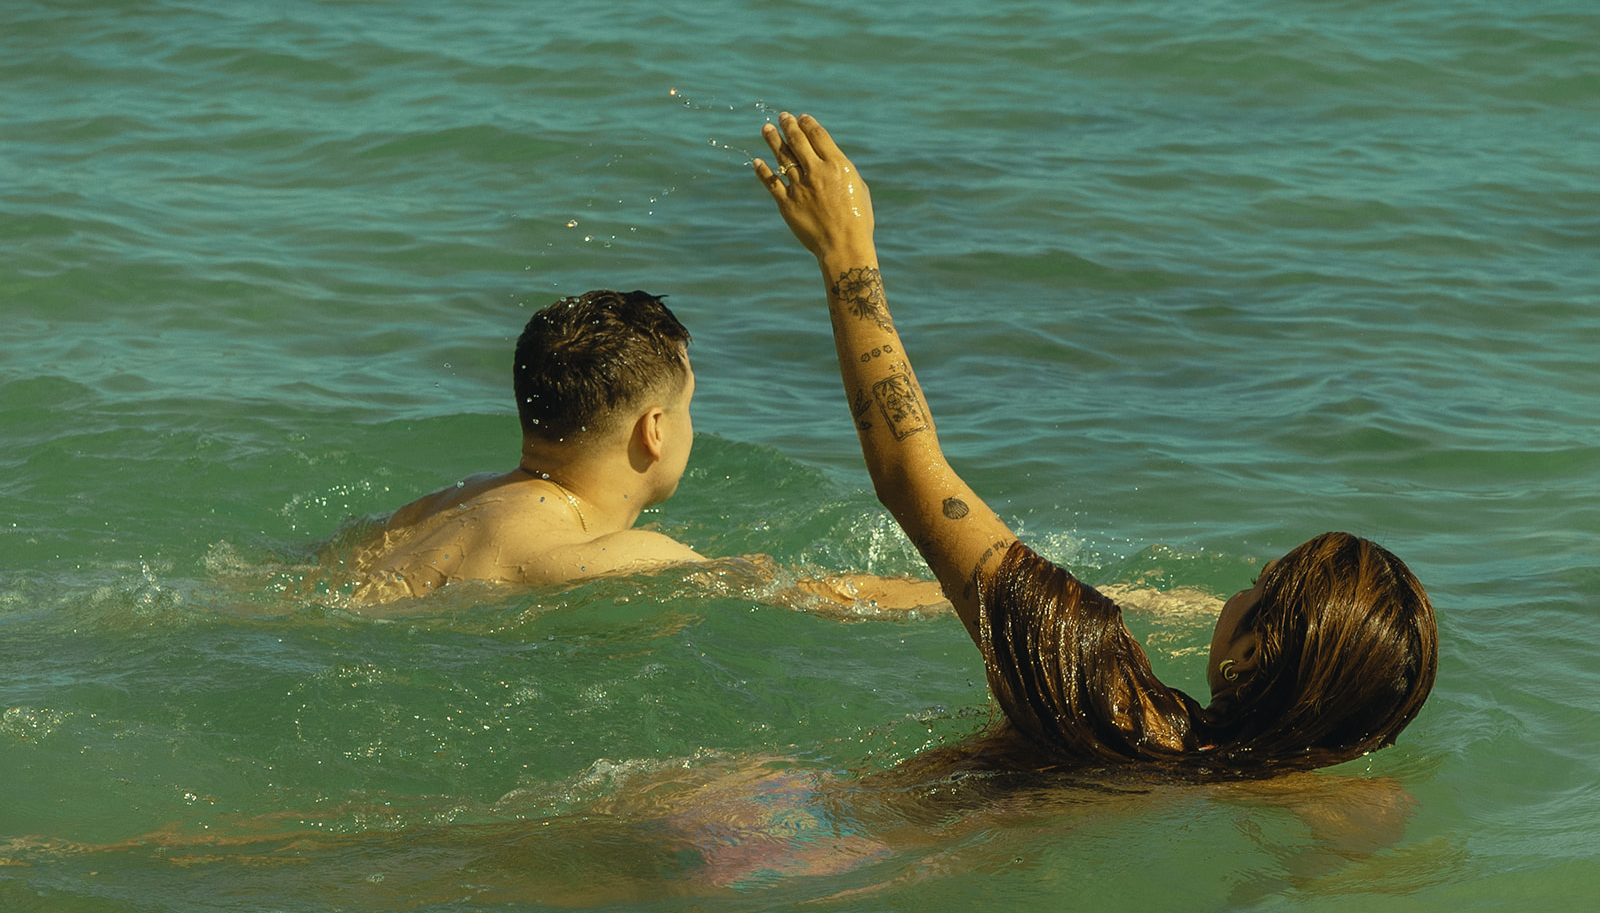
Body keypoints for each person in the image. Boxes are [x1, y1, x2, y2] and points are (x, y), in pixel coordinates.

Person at [754, 112, 1437, 776]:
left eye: (1260, 585)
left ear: (1248, 659)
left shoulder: (1110, 706)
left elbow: (911, 475)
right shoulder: (1295, 795)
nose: (1250, 576)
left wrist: (846, 250)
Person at [348, 287, 944, 612]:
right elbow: (800, 593)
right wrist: (968, 591)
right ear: (653, 428)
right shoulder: (619, 555)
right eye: (689, 406)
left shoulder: (442, 507)